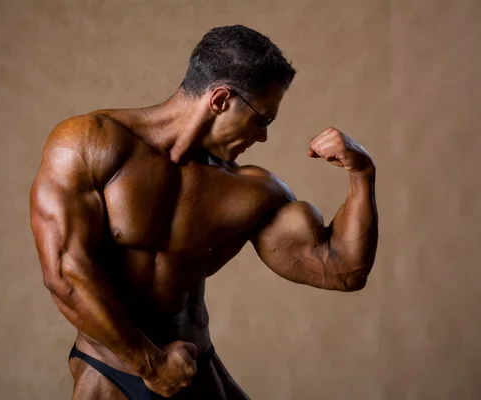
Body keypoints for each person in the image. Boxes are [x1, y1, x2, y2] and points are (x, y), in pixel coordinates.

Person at [29, 25, 378, 399]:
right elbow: (65, 275)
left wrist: (362, 173)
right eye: (263, 120)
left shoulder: (251, 190)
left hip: (194, 367)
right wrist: (151, 364)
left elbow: (342, 270)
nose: (263, 137)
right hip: (115, 372)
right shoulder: (89, 143)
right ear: (221, 100)